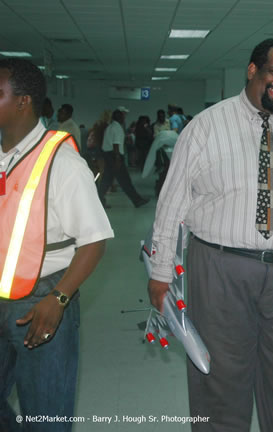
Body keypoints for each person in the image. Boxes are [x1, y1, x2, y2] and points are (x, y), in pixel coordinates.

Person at [147, 38, 273, 432]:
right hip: (221, 267)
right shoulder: (206, 127)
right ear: (252, 70)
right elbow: (172, 203)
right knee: (219, 377)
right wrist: (160, 270)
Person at [0, 58, 113, 432]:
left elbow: (95, 240)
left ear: (22, 101)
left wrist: (60, 298)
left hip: (42, 302)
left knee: (45, 416)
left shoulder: (62, 162)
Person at [97, 107, 149, 209]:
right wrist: (117, 159)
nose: (124, 117)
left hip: (108, 155)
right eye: (123, 115)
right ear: (120, 118)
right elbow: (116, 144)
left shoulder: (110, 127)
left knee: (106, 180)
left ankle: (97, 201)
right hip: (114, 156)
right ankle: (137, 200)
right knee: (125, 180)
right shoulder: (117, 128)